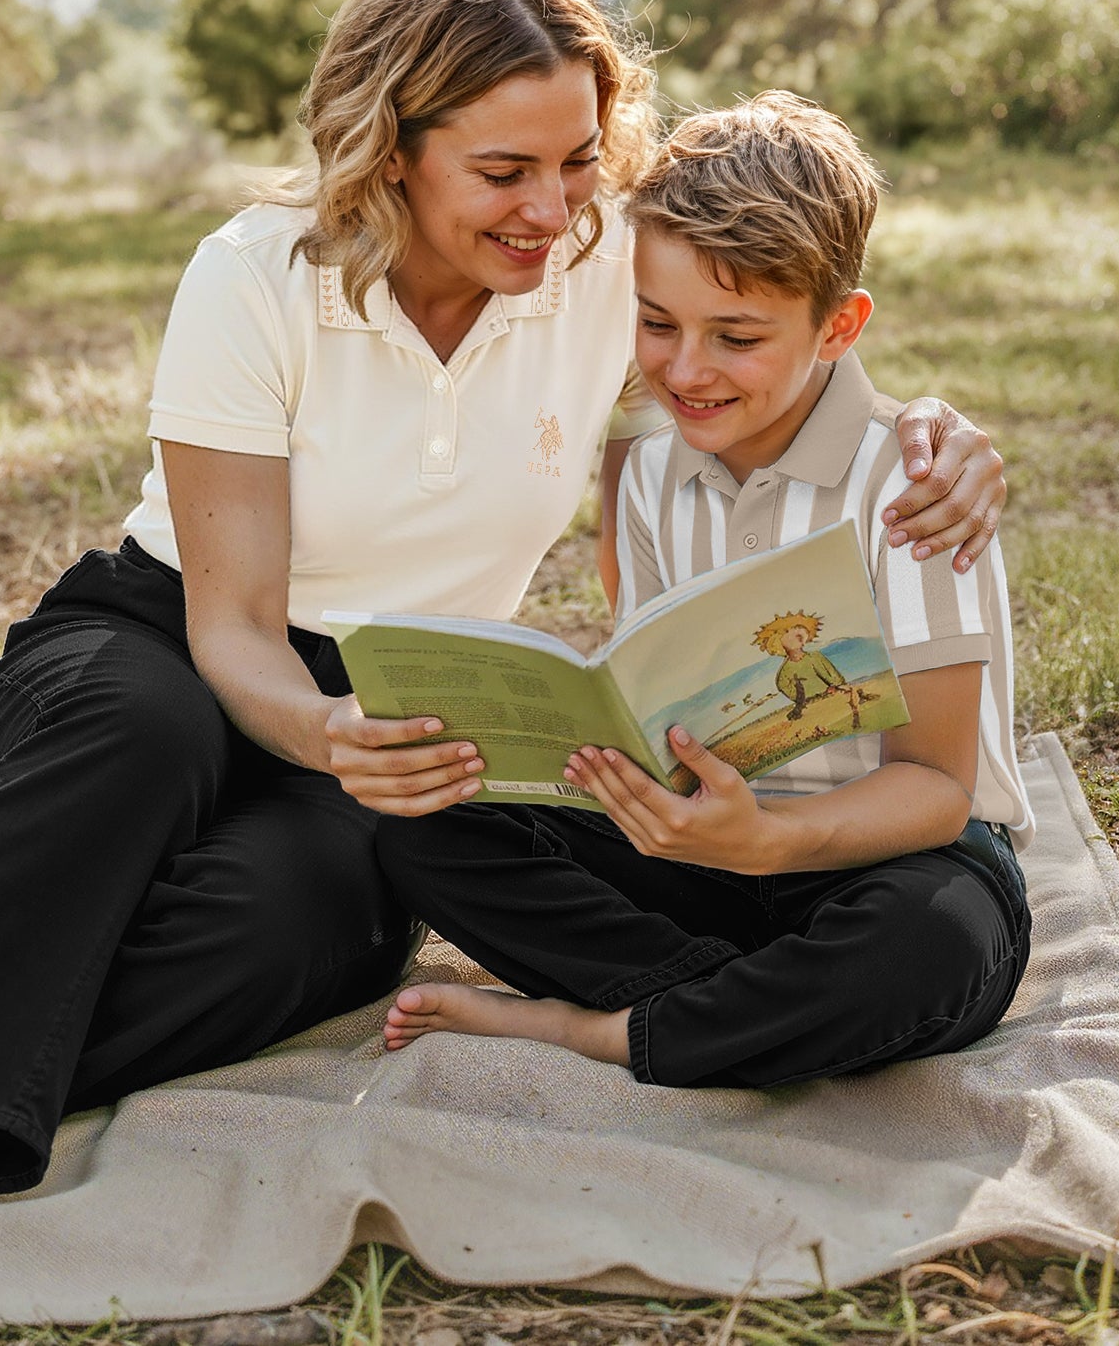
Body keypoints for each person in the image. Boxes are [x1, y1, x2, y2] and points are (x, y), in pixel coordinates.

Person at [0, 0, 1006, 1259]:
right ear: (392, 145)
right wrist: (320, 731)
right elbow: (233, 627)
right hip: (168, 646)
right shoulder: (257, 276)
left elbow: (771, 316)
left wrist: (937, 435)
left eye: (579, 158)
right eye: (503, 171)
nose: (552, 207)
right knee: (147, 739)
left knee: (298, 923)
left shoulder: (601, 267)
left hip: (396, 708)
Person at [373, 91, 1034, 1090]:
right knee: (423, 825)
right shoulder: (649, 474)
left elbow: (940, 790)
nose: (686, 369)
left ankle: (601, 1028)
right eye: (657, 322)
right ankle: (739, 1011)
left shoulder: (915, 486)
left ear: (838, 326)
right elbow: (660, 708)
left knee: (930, 944)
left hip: (894, 856)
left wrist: (771, 841)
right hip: (704, 852)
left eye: (737, 336)